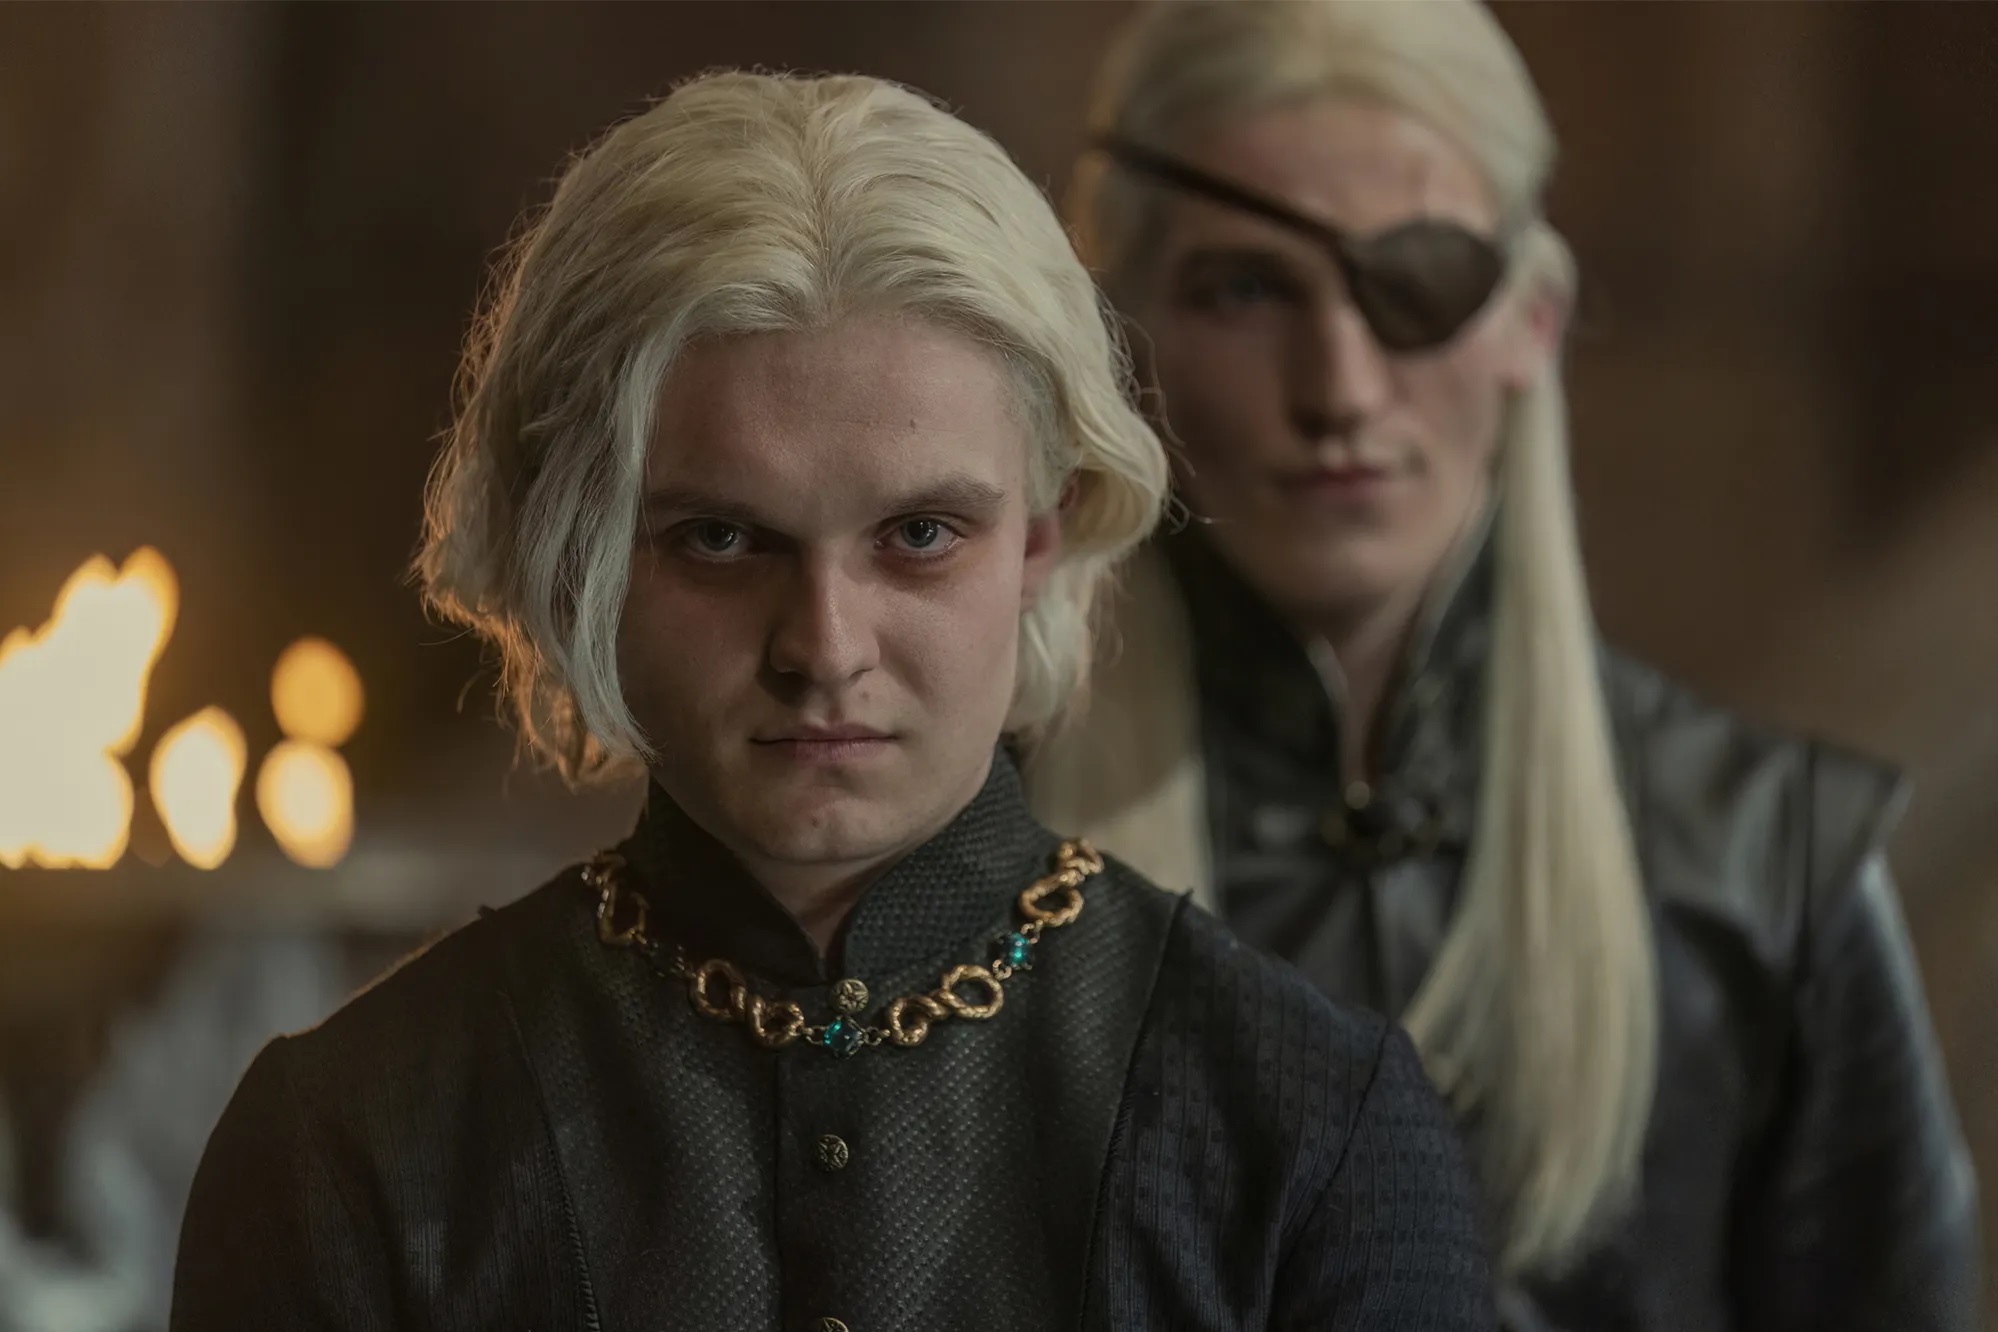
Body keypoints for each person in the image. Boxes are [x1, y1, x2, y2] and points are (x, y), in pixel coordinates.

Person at [170, 70, 1497, 1331]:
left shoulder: (1313, 1134)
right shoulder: (354, 1145)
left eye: (919, 536)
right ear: (581, 552)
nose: (824, 647)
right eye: (721, 540)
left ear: (1043, 535)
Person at [1026, 3, 1983, 1329]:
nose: (1339, 389)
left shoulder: (1763, 864)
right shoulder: (977, 850)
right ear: (1122, 334)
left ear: (1531, 320)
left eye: (1418, 279)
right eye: (1245, 289)